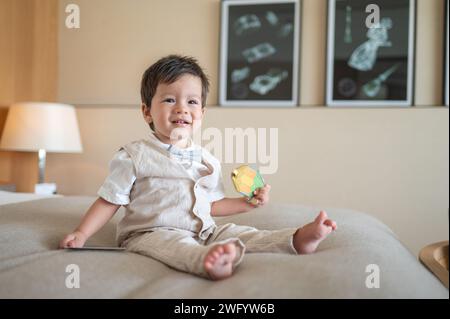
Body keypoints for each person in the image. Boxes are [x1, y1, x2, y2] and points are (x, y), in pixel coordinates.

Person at [60, 55, 337, 280]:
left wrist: (246, 203)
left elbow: (212, 204)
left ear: (201, 114)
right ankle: (206, 261)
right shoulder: (134, 155)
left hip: (205, 229)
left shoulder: (206, 159)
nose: (182, 108)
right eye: (169, 99)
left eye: (192, 102)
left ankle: (295, 240)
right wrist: (82, 233)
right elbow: (110, 200)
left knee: (241, 234)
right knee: (175, 247)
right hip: (152, 232)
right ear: (147, 111)